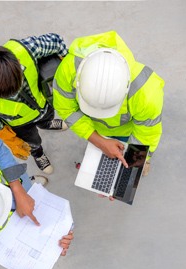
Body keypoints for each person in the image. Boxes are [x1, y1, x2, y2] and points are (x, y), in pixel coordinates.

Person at [53, 31, 164, 187]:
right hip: (96, 130)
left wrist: (130, 171)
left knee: (133, 160)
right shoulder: (69, 69)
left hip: (128, 132)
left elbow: (146, 135)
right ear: (79, 80)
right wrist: (98, 142)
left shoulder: (146, 92)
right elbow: (66, 110)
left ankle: (141, 162)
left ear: (127, 87)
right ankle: (97, 149)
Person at [0, 33, 69, 175]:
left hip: (43, 105)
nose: (15, 94)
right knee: (32, 142)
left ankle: (46, 124)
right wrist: (11, 140)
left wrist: (68, 69)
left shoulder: (27, 49)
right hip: (20, 124)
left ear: (17, 62)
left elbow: (56, 41)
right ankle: (38, 154)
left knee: (47, 117)